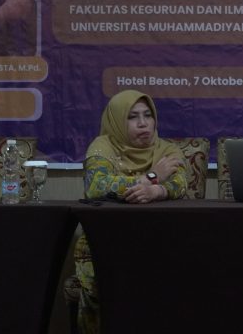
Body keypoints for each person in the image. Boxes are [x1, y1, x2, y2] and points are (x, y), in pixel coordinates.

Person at [74, 89, 187, 333]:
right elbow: (96, 186)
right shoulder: (103, 146)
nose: (143, 123)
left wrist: (156, 191)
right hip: (106, 239)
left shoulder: (166, 150)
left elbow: (180, 183)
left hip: (157, 238)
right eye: (132, 117)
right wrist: (151, 177)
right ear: (117, 120)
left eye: (148, 115)